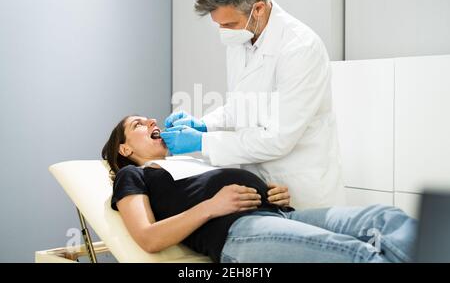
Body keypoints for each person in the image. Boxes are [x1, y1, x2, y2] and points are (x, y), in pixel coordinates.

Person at [101, 115, 417, 263]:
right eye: (138, 124)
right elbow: (148, 237)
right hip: (237, 233)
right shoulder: (133, 174)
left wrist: (269, 194)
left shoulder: (190, 160)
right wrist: (212, 205)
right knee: (356, 255)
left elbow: (227, 188)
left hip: (278, 215)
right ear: (125, 149)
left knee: (384, 219)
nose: (151, 120)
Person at [162, 0, 345, 210]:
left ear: (257, 9)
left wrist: (203, 143)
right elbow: (242, 106)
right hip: (259, 188)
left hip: (301, 188)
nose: (223, 32)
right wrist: (205, 123)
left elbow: (278, 138)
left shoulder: (300, 49)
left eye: (228, 24)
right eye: (218, 25)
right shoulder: (241, 39)